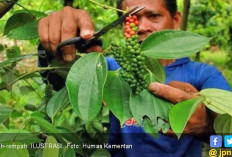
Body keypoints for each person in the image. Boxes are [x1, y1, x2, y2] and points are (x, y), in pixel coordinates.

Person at [38, 0, 231, 156]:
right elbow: (61, 80)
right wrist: (56, 48)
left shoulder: (203, 75)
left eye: (153, 16)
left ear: (176, 19)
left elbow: (227, 138)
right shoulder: (109, 67)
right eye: (131, 19)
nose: (141, 27)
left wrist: (208, 127)